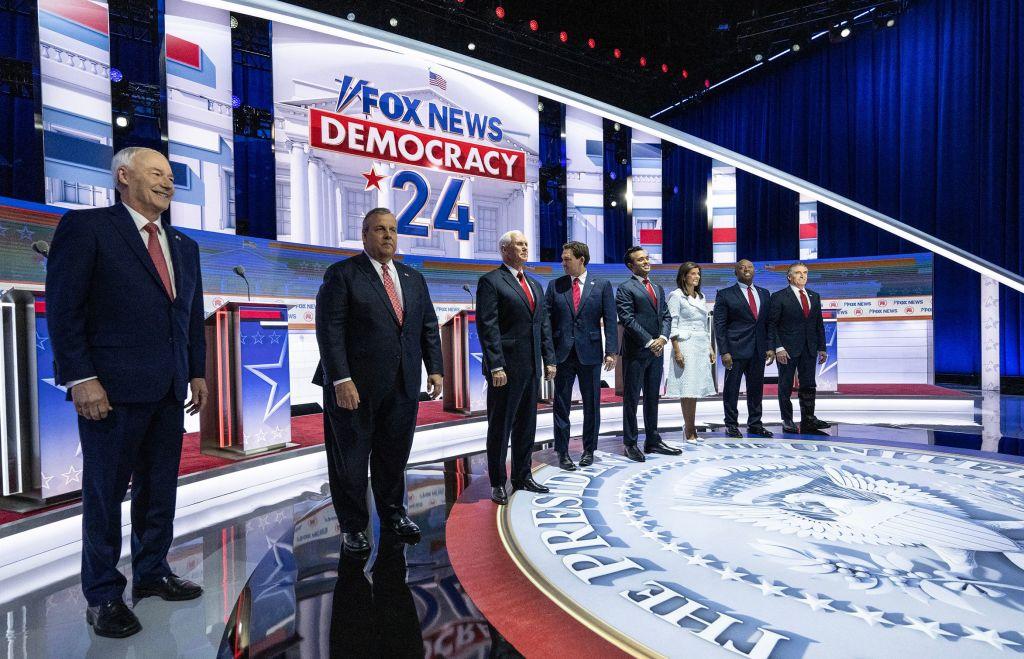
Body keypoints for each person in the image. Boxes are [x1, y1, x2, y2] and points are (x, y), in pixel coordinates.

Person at [46, 147, 208, 638]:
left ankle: (154, 572)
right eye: (156, 173)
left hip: (168, 388)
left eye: (170, 176)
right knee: (104, 495)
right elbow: (65, 307)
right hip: (110, 391)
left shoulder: (184, 245)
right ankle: (103, 595)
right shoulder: (88, 227)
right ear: (123, 177)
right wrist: (80, 378)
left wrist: (197, 371)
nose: (168, 182)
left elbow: (189, 318)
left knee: (160, 490)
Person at [313, 208, 443, 557]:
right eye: (380, 230)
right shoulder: (343, 274)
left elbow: (427, 325)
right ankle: (353, 527)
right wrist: (340, 378)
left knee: (393, 457)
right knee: (351, 461)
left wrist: (435, 368)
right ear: (365, 234)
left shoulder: (413, 278)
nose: (388, 236)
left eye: (393, 230)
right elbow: (330, 331)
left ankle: (393, 514)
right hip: (353, 388)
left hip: (402, 386)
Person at [476, 231, 556, 504]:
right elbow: (488, 327)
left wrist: (549, 359)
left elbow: (543, 324)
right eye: (518, 244)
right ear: (504, 250)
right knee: (500, 427)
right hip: (505, 370)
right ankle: (498, 482)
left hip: (532, 367)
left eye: (525, 243)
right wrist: (496, 365)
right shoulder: (491, 282)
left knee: (526, 426)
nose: (524, 248)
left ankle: (522, 475)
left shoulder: (535, 284)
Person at [545, 241, 617, 471]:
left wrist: (611, 352)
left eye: (567, 259)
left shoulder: (602, 285)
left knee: (591, 405)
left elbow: (611, 320)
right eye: (563, 259)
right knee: (561, 405)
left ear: (581, 260)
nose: (563, 263)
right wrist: (549, 357)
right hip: (563, 355)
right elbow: (546, 323)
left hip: (591, 354)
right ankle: (562, 452)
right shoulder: (554, 286)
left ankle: (589, 450)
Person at [616, 246, 682, 462]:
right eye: (640, 259)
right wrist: (649, 341)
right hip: (636, 351)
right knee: (632, 399)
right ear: (630, 265)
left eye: (646, 258)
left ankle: (652, 440)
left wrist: (663, 338)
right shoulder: (625, 288)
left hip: (657, 352)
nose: (646, 262)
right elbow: (627, 319)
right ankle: (630, 443)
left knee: (653, 397)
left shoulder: (657, 287)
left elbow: (666, 317)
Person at [713, 259, 775, 438]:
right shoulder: (725, 294)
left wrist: (770, 346)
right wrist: (724, 351)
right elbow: (720, 325)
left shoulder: (764, 293)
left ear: (754, 271)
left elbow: (768, 323)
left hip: (758, 350)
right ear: (736, 272)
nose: (746, 269)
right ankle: (731, 424)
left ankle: (755, 424)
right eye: (742, 267)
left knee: (756, 389)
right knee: (731, 389)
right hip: (735, 350)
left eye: (749, 267)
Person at [767, 261, 831, 435]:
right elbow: (772, 325)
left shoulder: (814, 296)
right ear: (789, 277)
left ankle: (808, 419)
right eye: (798, 273)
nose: (803, 275)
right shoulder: (779, 296)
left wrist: (822, 347)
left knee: (809, 384)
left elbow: (818, 324)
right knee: (786, 385)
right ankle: (787, 419)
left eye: (805, 272)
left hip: (809, 348)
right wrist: (778, 347)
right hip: (787, 350)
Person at [665, 262, 716, 442]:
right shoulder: (676, 296)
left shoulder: (700, 296)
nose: (697, 277)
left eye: (698, 274)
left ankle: (691, 428)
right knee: (687, 389)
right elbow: (673, 324)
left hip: (700, 344)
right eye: (693, 274)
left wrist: (710, 347)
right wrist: (677, 350)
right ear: (684, 276)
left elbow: (704, 325)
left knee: (695, 389)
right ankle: (689, 431)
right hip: (685, 344)